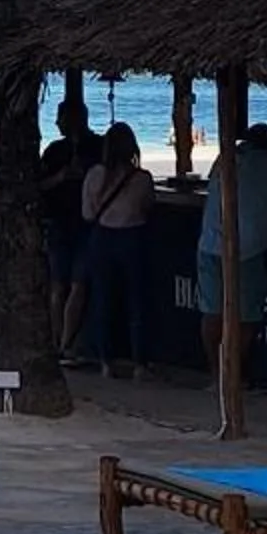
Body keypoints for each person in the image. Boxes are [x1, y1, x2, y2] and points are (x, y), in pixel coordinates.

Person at [199, 119, 267, 377]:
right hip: (248, 248)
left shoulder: (224, 159)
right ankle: (234, 373)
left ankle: (216, 372)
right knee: (248, 315)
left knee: (213, 313)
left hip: (211, 244)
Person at [79, 121, 156, 376]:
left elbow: (87, 214)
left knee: (102, 301)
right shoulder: (142, 178)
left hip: (102, 238)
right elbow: (147, 209)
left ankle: (105, 360)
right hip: (132, 238)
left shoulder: (94, 175)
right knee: (137, 302)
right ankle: (140, 363)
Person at [38, 95, 97, 360]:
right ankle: (58, 343)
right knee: (61, 285)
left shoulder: (97, 147)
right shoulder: (54, 151)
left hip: (84, 223)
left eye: (61, 119)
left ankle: (64, 342)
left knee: (75, 284)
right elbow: (38, 186)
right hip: (61, 222)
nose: (57, 124)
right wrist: (61, 176)